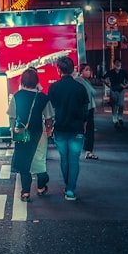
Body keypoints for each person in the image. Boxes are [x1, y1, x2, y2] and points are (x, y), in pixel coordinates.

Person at [47, 55, 90, 201]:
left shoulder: (54, 88)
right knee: (74, 160)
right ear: (73, 70)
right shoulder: (80, 88)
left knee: (64, 159)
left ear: (59, 70)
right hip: (77, 128)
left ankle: (68, 185)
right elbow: (86, 110)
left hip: (60, 128)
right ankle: (70, 189)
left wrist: (50, 126)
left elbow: (50, 110)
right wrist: (84, 126)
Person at [7, 68, 54, 202]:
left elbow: (12, 117)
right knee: (39, 160)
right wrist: (49, 129)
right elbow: (49, 117)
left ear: (22, 81)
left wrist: (13, 132)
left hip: (21, 132)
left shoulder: (16, 96)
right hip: (39, 133)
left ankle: (25, 192)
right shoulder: (43, 98)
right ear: (36, 81)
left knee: (24, 161)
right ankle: (41, 187)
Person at [74, 63, 99, 159]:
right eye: (86, 69)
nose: (89, 72)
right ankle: (86, 150)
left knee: (89, 130)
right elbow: (92, 92)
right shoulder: (79, 81)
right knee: (86, 130)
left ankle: (88, 150)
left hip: (89, 108)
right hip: (84, 109)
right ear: (81, 71)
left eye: (89, 69)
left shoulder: (86, 81)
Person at [103, 59, 128, 129]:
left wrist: (125, 86)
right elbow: (103, 78)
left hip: (121, 90)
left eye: (119, 63)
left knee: (121, 104)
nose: (118, 64)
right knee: (114, 104)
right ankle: (115, 118)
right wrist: (107, 84)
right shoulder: (111, 72)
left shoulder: (123, 72)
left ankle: (120, 117)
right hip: (113, 89)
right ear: (114, 64)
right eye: (116, 63)